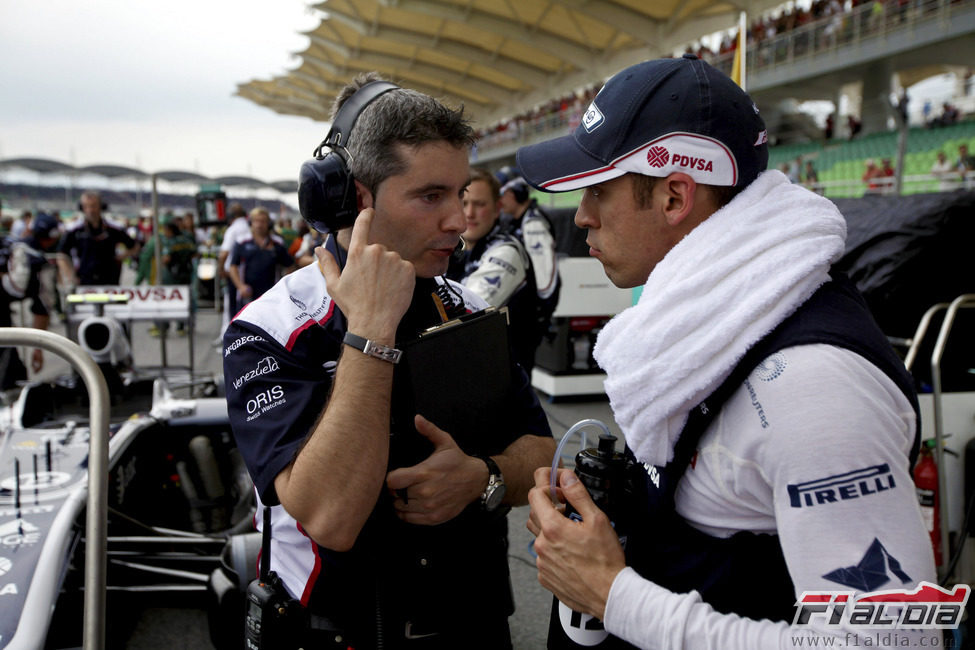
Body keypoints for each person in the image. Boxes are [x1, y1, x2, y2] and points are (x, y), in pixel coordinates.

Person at [519, 55, 935, 648]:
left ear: (673, 197)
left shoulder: (814, 386)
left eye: (598, 190)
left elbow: (893, 641)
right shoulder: (709, 325)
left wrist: (614, 597)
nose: (581, 216)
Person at [223, 72, 555, 648]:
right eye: (431, 196)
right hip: (337, 633)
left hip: (473, 624)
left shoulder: (467, 308)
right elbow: (330, 518)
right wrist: (372, 330)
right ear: (355, 199)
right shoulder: (269, 330)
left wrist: (486, 477)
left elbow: (543, 452)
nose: (457, 219)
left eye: (459, 194)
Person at [448, 168, 540, 373]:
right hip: (472, 369)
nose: (470, 213)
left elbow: (460, 316)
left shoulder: (507, 251)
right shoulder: (456, 250)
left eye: (479, 204)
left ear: (497, 208)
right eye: (464, 204)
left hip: (505, 380)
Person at [498, 175, 561, 352]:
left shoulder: (533, 223)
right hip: (521, 311)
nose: (500, 200)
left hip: (528, 314)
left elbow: (545, 274)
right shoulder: (518, 222)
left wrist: (542, 314)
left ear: (512, 195)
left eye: (502, 194)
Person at [0, 212, 60, 390]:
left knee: (13, 371)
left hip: (3, 318)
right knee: (9, 376)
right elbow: (42, 307)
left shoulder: (12, 245)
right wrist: (37, 349)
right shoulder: (39, 263)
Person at [56, 190, 139, 286]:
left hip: (110, 281)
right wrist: (70, 277)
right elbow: (61, 255)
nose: (90, 210)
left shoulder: (114, 228)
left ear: (101, 206)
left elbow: (135, 246)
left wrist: (120, 257)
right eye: (86, 206)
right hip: (84, 281)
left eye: (93, 206)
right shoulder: (74, 229)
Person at [227, 207, 295, 308]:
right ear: (251, 223)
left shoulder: (277, 243)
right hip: (248, 294)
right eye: (256, 221)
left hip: (271, 295)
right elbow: (233, 266)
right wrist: (240, 286)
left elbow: (290, 266)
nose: (259, 225)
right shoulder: (242, 241)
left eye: (263, 221)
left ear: (269, 224)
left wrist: (282, 287)